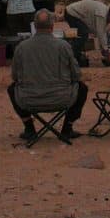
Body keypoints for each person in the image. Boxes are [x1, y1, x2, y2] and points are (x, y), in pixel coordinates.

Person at [7, 8, 88, 142]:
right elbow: (76, 75)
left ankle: (29, 128)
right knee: (82, 88)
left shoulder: (21, 47)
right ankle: (67, 128)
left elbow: (15, 76)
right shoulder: (64, 46)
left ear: (35, 25)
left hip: (29, 100)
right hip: (62, 99)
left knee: (11, 89)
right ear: (52, 26)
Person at [63, 0, 110, 66]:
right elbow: (101, 34)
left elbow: (99, 32)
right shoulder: (102, 14)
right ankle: (73, 58)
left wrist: (104, 49)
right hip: (72, 13)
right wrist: (106, 50)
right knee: (83, 34)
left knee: (82, 35)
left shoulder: (105, 12)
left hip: (75, 13)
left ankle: (77, 56)